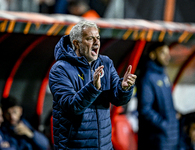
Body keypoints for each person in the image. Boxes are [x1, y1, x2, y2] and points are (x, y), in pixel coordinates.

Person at [49, 20, 137, 149]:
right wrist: (93, 87)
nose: (96, 42)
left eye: (98, 38)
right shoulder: (60, 69)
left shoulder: (105, 63)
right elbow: (72, 106)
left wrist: (124, 88)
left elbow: (118, 100)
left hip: (104, 146)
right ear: (76, 43)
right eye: (90, 38)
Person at [136, 42, 179, 150]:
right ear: (152, 55)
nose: (167, 56)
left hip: (169, 136)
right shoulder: (147, 77)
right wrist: (164, 125)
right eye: (163, 53)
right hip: (156, 138)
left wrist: (174, 117)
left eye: (168, 53)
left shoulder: (163, 74)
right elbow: (145, 109)